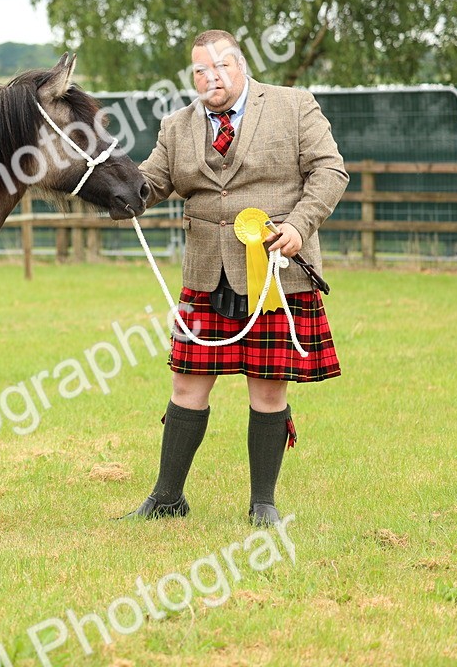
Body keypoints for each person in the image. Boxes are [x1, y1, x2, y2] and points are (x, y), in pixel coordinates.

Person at [127, 29, 349, 526]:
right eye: (200, 70)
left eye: (222, 66)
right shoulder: (177, 126)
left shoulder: (294, 106)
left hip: (275, 272)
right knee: (186, 386)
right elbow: (151, 184)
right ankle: (166, 498)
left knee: (268, 390)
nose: (212, 78)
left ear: (242, 64)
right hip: (207, 276)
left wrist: (298, 225)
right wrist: (108, 183)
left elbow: (330, 171)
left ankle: (263, 503)